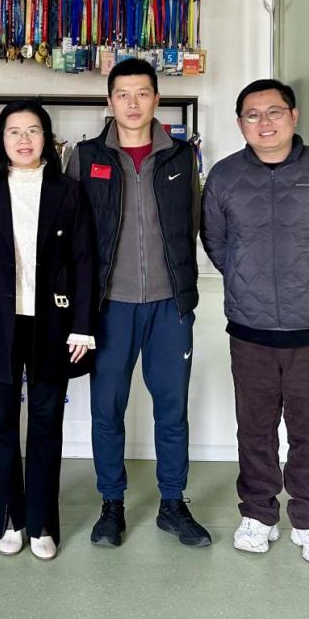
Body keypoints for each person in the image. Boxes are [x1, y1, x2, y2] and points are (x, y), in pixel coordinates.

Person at [201, 79, 309, 565]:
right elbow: (215, 241)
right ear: (240, 124)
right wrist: (246, 278)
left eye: (274, 112)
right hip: (250, 329)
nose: (265, 122)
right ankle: (258, 515)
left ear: (293, 117)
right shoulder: (225, 177)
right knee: (253, 429)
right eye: (252, 115)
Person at [66, 57, 209, 549]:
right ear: (109, 101)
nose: (132, 103)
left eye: (142, 93)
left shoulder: (182, 157)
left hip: (169, 306)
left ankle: (173, 504)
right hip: (108, 306)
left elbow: (191, 222)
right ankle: (111, 505)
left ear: (156, 99)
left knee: (172, 409)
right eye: (123, 94)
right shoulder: (86, 156)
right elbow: (72, 233)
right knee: (107, 410)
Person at [0, 100, 96, 560]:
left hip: (53, 321)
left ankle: (41, 523)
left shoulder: (69, 191)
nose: (23, 139)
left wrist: (82, 326)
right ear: (1, 139)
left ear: (47, 139)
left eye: (32, 130)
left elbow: (84, 261)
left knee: (46, 424)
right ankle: (8, 519)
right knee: (0, 423)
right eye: (14, 131)